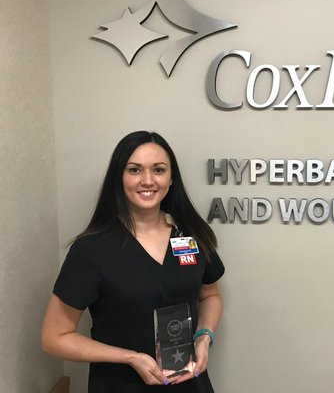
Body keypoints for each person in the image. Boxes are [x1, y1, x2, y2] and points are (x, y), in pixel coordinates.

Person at [41, 131, 225, 392]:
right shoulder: (91, 250)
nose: (148, 180)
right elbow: (53, 337)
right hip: (121, 385)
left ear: (171, 179)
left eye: (158, 170)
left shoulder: (191, 235)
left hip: (189, 383)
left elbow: (210, 295)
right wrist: (130, 358)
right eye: (135, 170)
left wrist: (204, 336)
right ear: (119, 177)